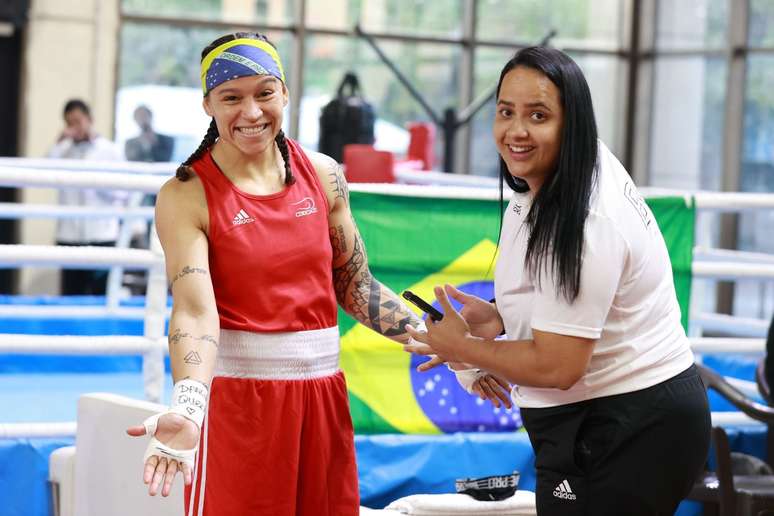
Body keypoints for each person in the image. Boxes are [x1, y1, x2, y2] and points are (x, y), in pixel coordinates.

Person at [125, 32, 509, 516]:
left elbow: (357, 287)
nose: (251, 112)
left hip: (322, 399)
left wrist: (457, 352)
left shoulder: (324, 174)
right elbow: (196, 311)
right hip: (240, 405)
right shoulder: (186, 195)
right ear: (208, 104)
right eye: (231, 97)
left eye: (265, 92)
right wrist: (188, 402)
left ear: (284, 92)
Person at [405, 46, 711, 515]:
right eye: (505, 112)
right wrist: (502, 317)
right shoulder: (561, 176)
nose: (516, 131)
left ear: (573, 123)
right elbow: (585, 304)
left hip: (624, 425)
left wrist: (461, 348)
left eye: (539, 115)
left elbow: (557, 367)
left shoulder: (585, 220)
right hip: (614, 417)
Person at [47, 99, 127, 295]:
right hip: (69, 235)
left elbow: (124, 191)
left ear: (89, 119)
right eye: (69, 123)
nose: (74, 127)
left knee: (102, 294)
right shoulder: (62, 150)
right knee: (70, 294)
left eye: (78, 121)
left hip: (102, 234)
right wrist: (58, 142)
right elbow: (43, 173)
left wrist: (97, 184)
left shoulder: (110, 150)